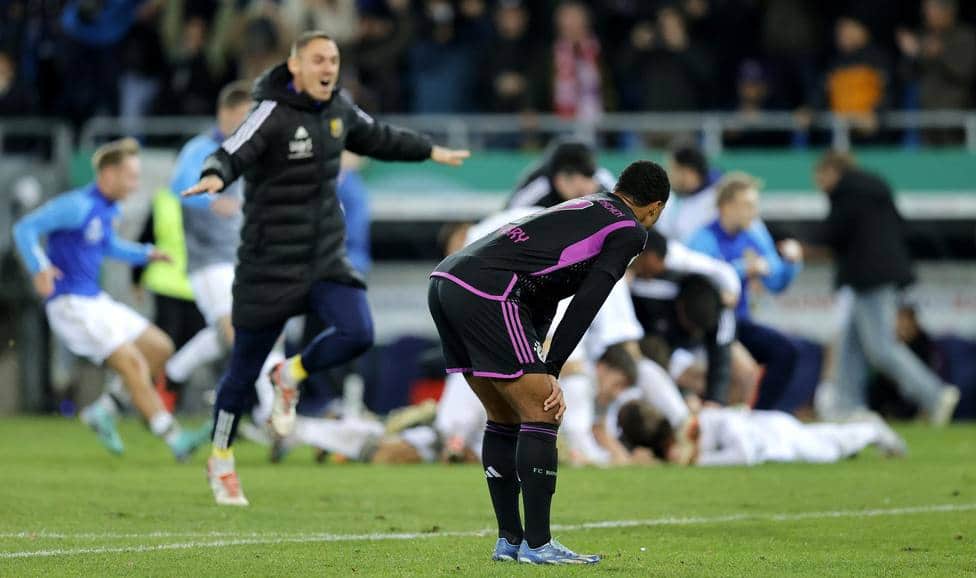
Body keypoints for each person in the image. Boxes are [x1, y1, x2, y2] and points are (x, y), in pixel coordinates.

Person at [181, 31, 470, 506]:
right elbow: (233, 152)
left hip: (323, 260)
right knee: (241, 370)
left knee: (357, 332)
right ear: (295, 66)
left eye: (333, 59)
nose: (328, 67)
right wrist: (215, 175)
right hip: (268, 265)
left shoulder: (339, 111)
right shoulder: (270, 113)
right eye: (318, 59)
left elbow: (379, 137)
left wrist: (429, 149)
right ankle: (220, 458)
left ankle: (290, 374)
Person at [428, 160, 669, 564]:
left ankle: (509, 542)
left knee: (503, 415)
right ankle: (538, 545)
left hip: (447, 281)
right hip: (490, 291)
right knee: (543, 410)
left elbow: (544, 292)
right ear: (654, 208)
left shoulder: (588, 205)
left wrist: (540, 357)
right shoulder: (630, 229)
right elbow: (588, 300)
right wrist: (551, 368)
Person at [12, 138, 208, 459]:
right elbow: (25, 228)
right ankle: (174, 437)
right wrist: (40, 267)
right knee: (131, 362)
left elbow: (108, 246)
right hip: (71, 304)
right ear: (109, 174)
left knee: (159, 349)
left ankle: (105, 409)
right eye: (131, 176)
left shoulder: (106, 208)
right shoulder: (76, 205)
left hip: (95, 299)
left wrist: (146, 254)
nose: (135, 185)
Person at [809, 152, 959, 425]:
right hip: (875, 275)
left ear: (833, 170)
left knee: (881, 348)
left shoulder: (847, 192)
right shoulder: (876, 188)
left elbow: (833, 233)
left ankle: (935, 395)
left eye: (820, 176)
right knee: (850, 346)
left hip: (870, 278)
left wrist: (802, 246)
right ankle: (847, 408)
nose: (819, 183)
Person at [162, 81, 252, 393]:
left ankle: (172, 373)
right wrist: (212, 200)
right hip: (209, 260)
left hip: (242, 256)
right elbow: (179, 188)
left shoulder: (248, 152)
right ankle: (259, 407)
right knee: (235, 331)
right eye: (242, 115)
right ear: (224, 113)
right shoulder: (200, 149)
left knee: (241, 328)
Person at [688, 172, 803, 410]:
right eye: (748, 205)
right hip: (708, 325)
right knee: (746, 374)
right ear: (727, 206)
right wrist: (743, 268)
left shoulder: (754, 234)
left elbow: (775, 282)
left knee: (786, 351)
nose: (754, 211)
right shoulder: (703, 238)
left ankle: (761, 417)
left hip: (739, 323)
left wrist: (792, 262)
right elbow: (699, 282)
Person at [617, 399, 906, 467]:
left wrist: (700, 461)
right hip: (769, 429)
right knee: (825, 438)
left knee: (828, 449)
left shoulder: (708, 423)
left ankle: (870, 430)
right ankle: (857, 427)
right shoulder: (682, 434)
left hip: (772, 436)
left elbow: (744, 453)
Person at [505, 138, 615, 209]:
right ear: (560, 179)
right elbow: (508, 218)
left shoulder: (601, 180)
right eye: (579, 192)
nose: (583, 195)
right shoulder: (539, 185)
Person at [655, 144, 719, 243]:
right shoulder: (669, 198)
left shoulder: (718, 200)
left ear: (688, 173)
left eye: (672, 169)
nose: (667, 173)